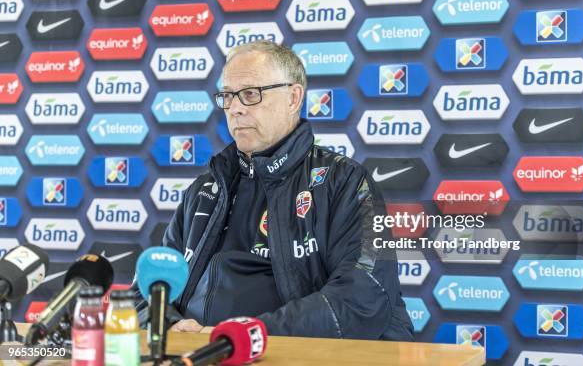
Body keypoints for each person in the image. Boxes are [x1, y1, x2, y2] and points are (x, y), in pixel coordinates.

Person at [135, 40, 414, 341]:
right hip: (198, 354)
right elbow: (146, 292)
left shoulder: (343, 181)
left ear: (293, 98)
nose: (236, 109)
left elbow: (362, 296)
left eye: (251, 94)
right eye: (228, 96)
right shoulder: (204, 189)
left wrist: (241, 337)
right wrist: (173, 327)